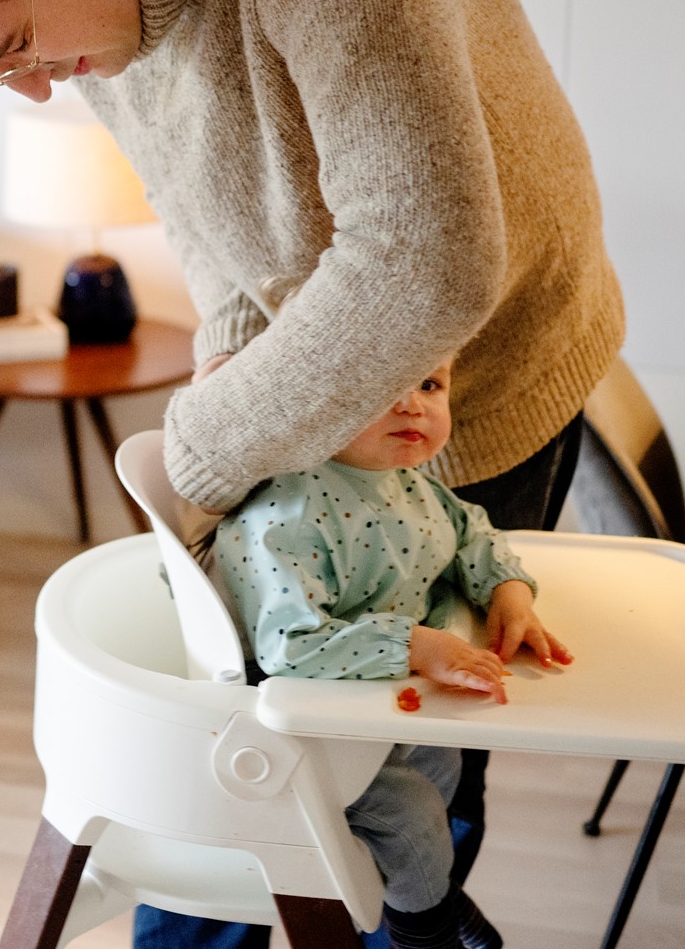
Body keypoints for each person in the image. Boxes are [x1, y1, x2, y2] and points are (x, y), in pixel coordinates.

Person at [0, 0, 622, 947]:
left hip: (474, 377)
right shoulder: (105, 20)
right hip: (324, 367)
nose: (37, 85)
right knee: (248, 743)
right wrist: (227, 402)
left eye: (22, 43)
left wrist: (205, 445)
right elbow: (223, 241)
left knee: (414, 753)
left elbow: (430, 258)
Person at [212, 358, 571, 949]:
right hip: (285, 735)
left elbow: (469, 529)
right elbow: (288, 645)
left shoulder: (405, 481)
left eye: (430, 384)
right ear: (320, 402)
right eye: (382, 384)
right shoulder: (291, 515)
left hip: (363, 709)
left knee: (443, 764)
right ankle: (427, 934)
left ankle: (436, 899)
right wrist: (418, 645)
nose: (413, 403)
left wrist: (507, 591)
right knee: (411, 817)